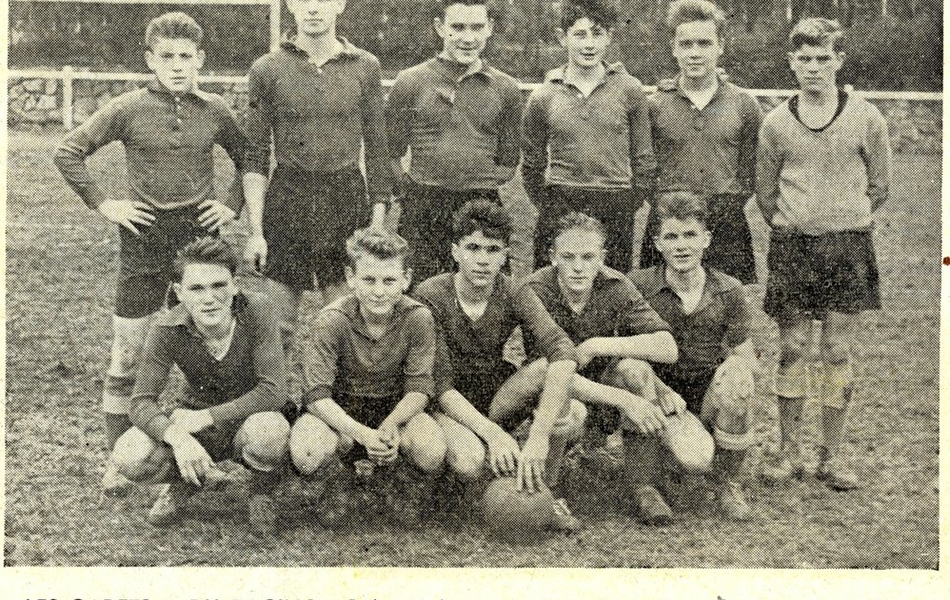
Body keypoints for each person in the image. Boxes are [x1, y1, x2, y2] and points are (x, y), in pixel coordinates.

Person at [54, 12, 247, 497]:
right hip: (143, 236)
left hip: (198, 240)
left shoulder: (217, 109)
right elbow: (68, 151)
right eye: (167, 57)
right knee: (128, 353)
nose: (178, 66)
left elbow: (251, 159)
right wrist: (105, 203)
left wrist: (230, 202)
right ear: (150, 60)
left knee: (206, 350)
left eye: (187, 57)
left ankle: (189, 462)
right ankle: (120, 458)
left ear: (200, 60)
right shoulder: (126, 107)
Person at [757, 18, 891, 490]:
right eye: (804, 59)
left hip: (848, 245)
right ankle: (787, 452)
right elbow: (765, 193)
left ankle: (830, 456)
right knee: (792, 349)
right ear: (792, 62)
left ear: (839, 61)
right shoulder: (774, 121)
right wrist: (802, 221)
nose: (813, 68)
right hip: (794, 246)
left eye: (822, 59)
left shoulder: (867, 117)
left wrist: (840, 217)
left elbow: (880, 186)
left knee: (836, 351)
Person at [414, 200, 585, 532]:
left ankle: (547, 489)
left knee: (571, 408)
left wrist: (538, 435)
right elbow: (440, 384)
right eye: (473, 247)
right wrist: (492, 434)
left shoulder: (514, 290)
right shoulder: (431, 294)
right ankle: (445, 486)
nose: (482, 259)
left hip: (493, 392)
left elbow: (562, 348)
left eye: (492, 250)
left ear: (505, 254)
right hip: (445, 402)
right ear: (455, 251)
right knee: (468, 460)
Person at [109, 237, 290, 537]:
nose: (209, 298)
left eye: (219, 285)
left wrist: (206, 417)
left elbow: (273, 391)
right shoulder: (166, 328)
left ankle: (262, 491)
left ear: (234, 285)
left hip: (248, 417)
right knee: (130, 454)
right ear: (179, 293)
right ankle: (185, 481)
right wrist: (178, 438)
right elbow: (140, 403)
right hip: (195, 422)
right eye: (196, 288)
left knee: (270, 431)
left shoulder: (258, 310)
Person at [526, 211, 688, 525]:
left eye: (588, 257)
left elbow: (667, 348)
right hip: (550, 390)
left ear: (602, 257)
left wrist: (597, 344)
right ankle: (551, 488)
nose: (577, 267)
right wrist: (625, 400)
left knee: (636, 370)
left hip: (599, 379)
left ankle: (644, 485)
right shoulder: (536, 290)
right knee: (569, 407)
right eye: (568, 257)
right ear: (551, 257)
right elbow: (551, 373)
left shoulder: (614, 284)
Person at [243, 0, 391, 336]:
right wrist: (255, 232)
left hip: (345, 194)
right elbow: (255, 155)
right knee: (276, 324)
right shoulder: (267, 68)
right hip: (288, 194)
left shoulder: (365, 66)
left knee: (347, 319)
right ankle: (271, 390)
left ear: (340, 5)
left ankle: (342, 390)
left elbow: (378, 153)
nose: (313, 9)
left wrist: (377, 225)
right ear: (290, 6)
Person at [289, 228, 447, 527]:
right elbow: (316, 396)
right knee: (307, 449)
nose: (379, 291)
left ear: (406, 279)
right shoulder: (331, 319)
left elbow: (420, 387)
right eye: (368, 280)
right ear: (350, 278)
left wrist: (390, 426)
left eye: (389, 281)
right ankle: (337, 482)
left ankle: (395, 477)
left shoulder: (418, 317)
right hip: (341, 411)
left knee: (431, 447)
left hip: (393, 408)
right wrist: (361, 434)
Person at [629, 192, 759, 522]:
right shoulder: (639, 286)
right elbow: (621, 355)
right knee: (632, 371)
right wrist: (659, 390)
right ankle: (646, 486)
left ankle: (726, 482)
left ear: (706, 239)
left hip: (704, 396)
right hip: (658, 396)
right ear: (657, 243)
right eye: (671, 237)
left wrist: (736, 367)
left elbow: (748, 356)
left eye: (690, 235)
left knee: (739, 375)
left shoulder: (728, 289)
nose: (681, 246)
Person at [386, 0, 523, 285]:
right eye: (458, 27)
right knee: (420, 292)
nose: (468, 38)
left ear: (490, 29)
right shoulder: (410, 81)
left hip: (481, 204)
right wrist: (415, 190)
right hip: (425, 204)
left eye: (477, 27)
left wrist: (476, 185)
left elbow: (509, 160)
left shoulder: (506, 88)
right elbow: (391, 152)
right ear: (440, 28)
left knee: (483, 290)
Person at [521, 0, 655, 273]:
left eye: (597, 33)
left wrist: (629, 203)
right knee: (554, 282)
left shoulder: (629, 89)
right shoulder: (544, 95)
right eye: (579, 34)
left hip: (614, 199)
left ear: (609, 36)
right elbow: (532, 162)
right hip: (562, 199)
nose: (589, 44)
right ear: (562, 37)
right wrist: (548, 202)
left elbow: (644, 158)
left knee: (611, 284)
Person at [639, 0, 761, 284]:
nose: (695, 53)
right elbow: (644, 168)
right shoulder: (654, 105)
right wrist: (666, 203)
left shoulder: (744, 104)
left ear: (720, 46)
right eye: (686, 44)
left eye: (704, 44)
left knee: (725, 311)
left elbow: (750, 169)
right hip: (669, 217)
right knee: (663, 307)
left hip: (725, 220)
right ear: (674, 48)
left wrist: (726, 202)